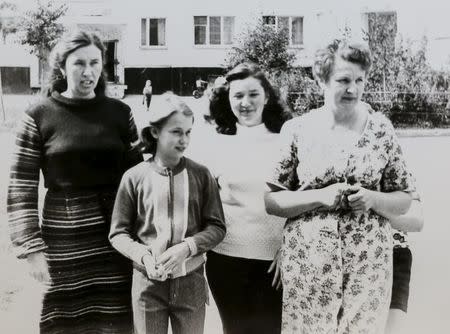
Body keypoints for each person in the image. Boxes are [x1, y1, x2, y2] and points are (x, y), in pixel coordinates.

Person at [265, 40, 416, 333]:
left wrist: (372, 198)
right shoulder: (297, 130)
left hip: (367, 265)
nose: (353, 89)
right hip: (310, 263)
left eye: (360, 80)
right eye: (343, 80)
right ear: (322, 79)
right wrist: (320, 197)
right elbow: (272, 201)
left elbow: (404, 199)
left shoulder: (381, 130)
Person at [7, 30, 142, 334]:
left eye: (95, 62)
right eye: (79, 63)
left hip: (116, 237)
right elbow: (21, 187)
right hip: (64, 241)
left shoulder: (121, 113)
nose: (88, 71)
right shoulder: (38, 115)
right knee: (65, 322)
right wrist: (32, 250)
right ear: (62, 67)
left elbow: (139, 179)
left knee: (116, 319)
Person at [109, 92, 226, 334]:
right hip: (147, 284)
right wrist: (142, 255)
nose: (184, 139)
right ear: (155, 132)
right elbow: (118, 233)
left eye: (188, 132)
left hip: (191, 281)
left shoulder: (201, 175)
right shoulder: (134, 177)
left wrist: (188, 246)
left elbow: (217, 226)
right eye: (176, 132)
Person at [188, 62, 291, 334]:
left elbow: (302, 201)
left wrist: (291, 248)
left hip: (276, 264)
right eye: (238, 96)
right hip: (226, 261)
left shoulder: (288, 140)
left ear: (267, 97)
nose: (245, 103)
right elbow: (200, 206)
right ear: (228, 99)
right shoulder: (215, 144)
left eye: (253, 94)